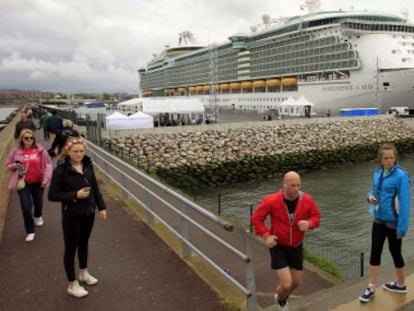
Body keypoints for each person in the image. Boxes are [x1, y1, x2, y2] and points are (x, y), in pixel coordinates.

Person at [251, 171, 321, 311]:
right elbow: (256, 219)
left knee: (296, 282)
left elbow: (316, 216)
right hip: (278, 246)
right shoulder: (271, 200)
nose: (296, 189)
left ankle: (281, 298)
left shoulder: (306, 199)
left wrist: (309, 224)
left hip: (296, 246)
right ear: (284, 185)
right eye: (292, 185)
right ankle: (281, 301)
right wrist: (266, 236)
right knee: (286, 284)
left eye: (298, 185)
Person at [48, 137, 107, 298]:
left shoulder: (88, 164)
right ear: (68, 151)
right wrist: (75, 195)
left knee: (84, 243)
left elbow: (94, 186)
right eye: (75, 151)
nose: (79, 154)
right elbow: (52, 195)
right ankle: (72, 284)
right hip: (71, 215)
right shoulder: (60, 170)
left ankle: (83, 272)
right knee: (70, 248)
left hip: (88, 212)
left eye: (81, 151)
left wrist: (101, 207)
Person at [359, 143, 411, 303]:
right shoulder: (378, 172)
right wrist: (369, 197)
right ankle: (370, 288)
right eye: (386, 158)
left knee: (396, 253)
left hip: (394, 222)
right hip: (379, 218)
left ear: (395, 158)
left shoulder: (401, 176)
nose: (389, 161)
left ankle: (401, 284)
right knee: (375, 251)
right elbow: (374, 191)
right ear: (380, 160)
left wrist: (402, 228)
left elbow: (405, 203)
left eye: (392, 158)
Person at [5, 129, 52, 242]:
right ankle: (30, 231)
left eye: (31, 138)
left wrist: (46, 179)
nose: (29, 140)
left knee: (38, 203)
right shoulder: (16, 151)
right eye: (26, 138)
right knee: (26, 206)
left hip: (38, 182)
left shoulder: (40, 150)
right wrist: (14, 166)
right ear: (22, 139)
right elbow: (7, 165)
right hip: (23, 183)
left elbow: (48, 165)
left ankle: (37, 215)